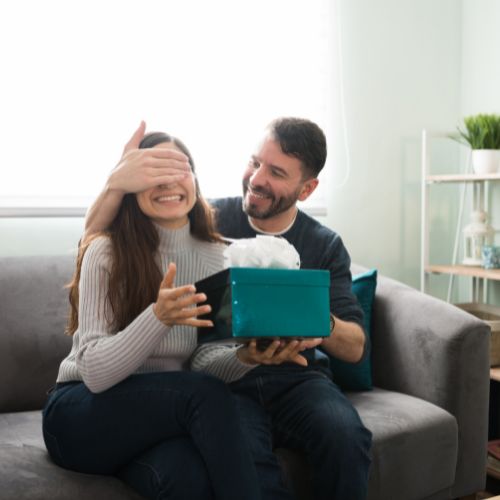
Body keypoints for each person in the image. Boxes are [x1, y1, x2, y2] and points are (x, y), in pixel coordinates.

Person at [84, 118, 373, 500]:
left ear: (307, 188)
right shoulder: (207, 220)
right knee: (247, 460)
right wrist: (116, 182)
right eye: (255, 162)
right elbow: (95, 240)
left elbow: (355, 348)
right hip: (225, 381)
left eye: (276, 172)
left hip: (298, 380)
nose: (256, 178)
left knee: (346, 437)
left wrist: (316, 316)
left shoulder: (324, 244)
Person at [42, 131, 263, 500]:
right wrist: (157, 317)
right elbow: (95, 374)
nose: (169, 182)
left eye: (181, 169)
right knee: (204, 396)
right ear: (131, 186)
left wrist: (244, 358)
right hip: (80, 413)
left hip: (157, 420)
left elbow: (202, 362)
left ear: (194, 179)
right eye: (154, 172)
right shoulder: (106, 251)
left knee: (186, 478)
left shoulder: (219, 256)